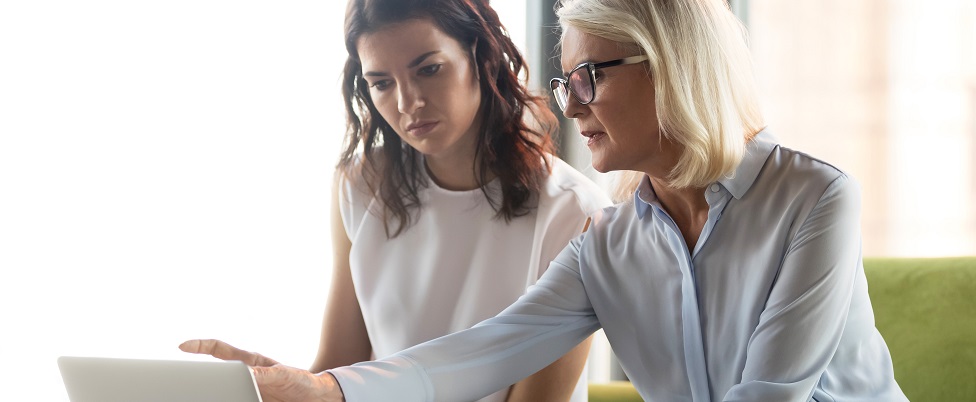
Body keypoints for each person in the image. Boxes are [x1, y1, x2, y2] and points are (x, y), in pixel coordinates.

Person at [181, 0, 909, 400]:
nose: (571, 107)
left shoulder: (812, 196)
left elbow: (769, 396)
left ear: (674, 66)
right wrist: (320, 392)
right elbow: (478, 353)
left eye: (589, 77)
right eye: (565, 84)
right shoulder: (611, 242)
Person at [184, 0, 610, 401]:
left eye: (429, 69)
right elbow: (338, 372)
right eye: (381, 83)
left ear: (481, 55)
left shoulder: (575, 212)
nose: (408, 103)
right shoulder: (361, 184)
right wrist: (265, 384)